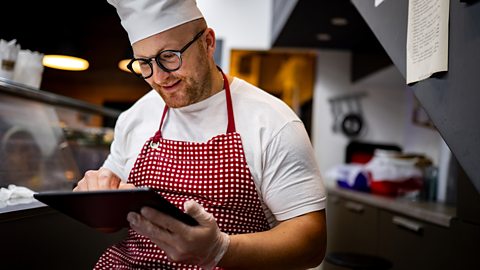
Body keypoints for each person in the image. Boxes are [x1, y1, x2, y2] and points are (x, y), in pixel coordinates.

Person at [73, 0, 327, 269]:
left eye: (169, 56)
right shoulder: (135, 117)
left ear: (208, 42)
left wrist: (220, 249)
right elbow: (111, 216)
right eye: (144, 64)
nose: (159, 77)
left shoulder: (273, 122)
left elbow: (311, 244)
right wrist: (95, 202)